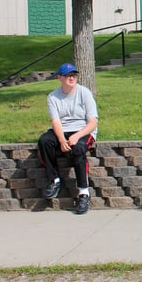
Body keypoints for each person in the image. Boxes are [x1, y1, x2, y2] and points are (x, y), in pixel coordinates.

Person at [38, 63, 98, 214]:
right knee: (45, 141)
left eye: (73, 75)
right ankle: (55, 180)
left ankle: (84, 193)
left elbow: (93, 122)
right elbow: (56, 121)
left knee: (78, 149)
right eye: (67, 75)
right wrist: (62, 140)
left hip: (83, 130)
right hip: (63, 130)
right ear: (60, 78)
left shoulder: (84, 93)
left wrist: (76, 136)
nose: (71, 78)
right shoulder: (53, 96)